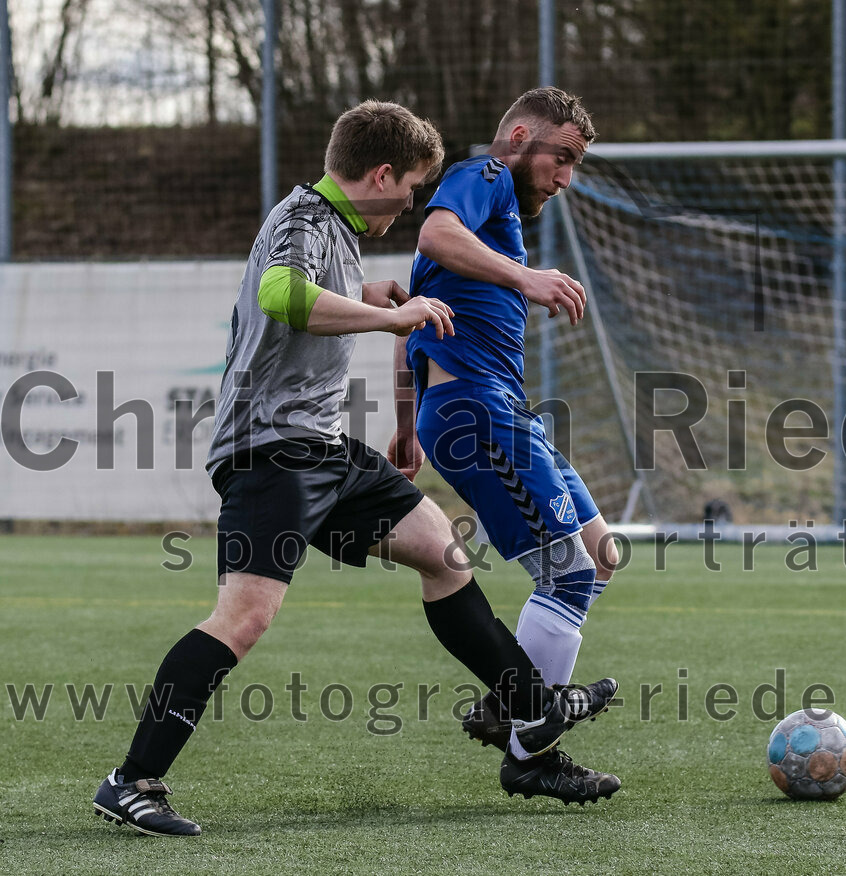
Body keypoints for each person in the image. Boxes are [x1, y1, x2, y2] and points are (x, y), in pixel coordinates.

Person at [92, 100, 619, 839]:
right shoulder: (304, 218)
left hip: (325, 449)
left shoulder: (336, 234)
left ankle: (530, 712)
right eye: (410, 188)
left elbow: (302, 297)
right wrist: (387, 317)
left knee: (442, 553)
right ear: (380, 175)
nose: (411, 204)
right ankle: (132, 780)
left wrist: (367, 297)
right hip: (270, 450)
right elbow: (281, 296)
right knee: (243, 618)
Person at [392, 87, 621, 792]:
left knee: (599, 556)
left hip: (492, 409)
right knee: (568, 574)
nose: (566, 178)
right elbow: (434, 235)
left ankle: (506, 704)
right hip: (477, 410)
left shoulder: (496, 219)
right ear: (520, 137)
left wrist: (404, 426)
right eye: (562, 158)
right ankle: (530, 754)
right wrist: (527, 277)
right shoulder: (485, 174)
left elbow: (412, 317)